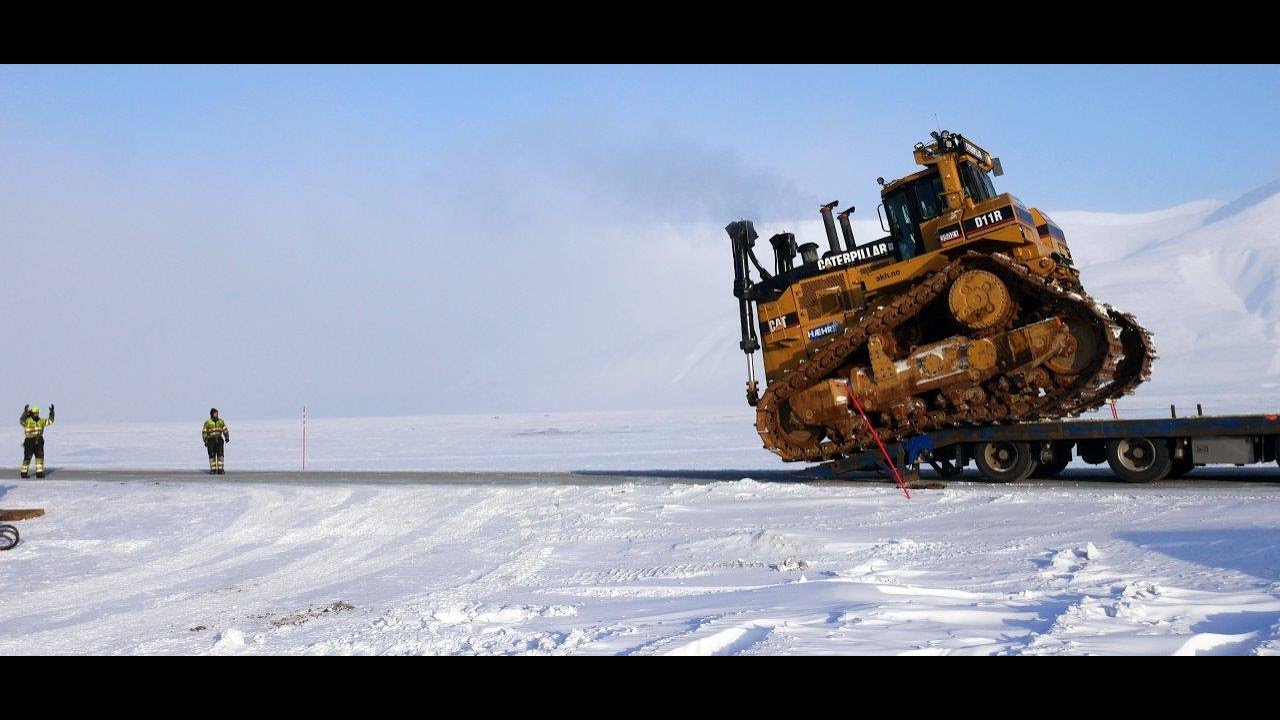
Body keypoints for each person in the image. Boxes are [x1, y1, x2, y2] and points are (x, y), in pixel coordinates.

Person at [20, 403, 55, 479]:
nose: (36, 414)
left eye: (37, 413)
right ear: (31, 412)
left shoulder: (41, 421)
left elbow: (50, 421)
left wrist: (52, 413)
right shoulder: (27, 420)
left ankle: (39, 473)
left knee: (40, 457)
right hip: (29, 441)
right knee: (27, 457)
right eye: (35, 413)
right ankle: (24, 473)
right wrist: (25, 413)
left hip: (39, 440)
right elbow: (21, 421)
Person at [202, 408, 230, 474]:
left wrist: (227, 437)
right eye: (215, 413)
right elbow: (204, 432)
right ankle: (213, 470)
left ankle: (221, 469)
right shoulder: (207, 422)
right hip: (211, 440)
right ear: (212, 414)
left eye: (217, 413)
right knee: (212, 455)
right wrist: (205, 440)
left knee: (220, 454)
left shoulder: (221, 421)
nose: (217, 414)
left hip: (219, 440)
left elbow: (225, 429)